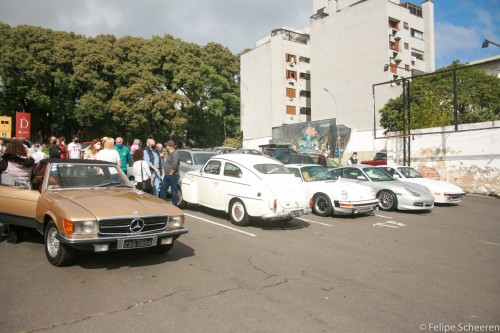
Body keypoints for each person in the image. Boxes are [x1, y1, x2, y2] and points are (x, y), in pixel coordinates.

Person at [0, 139, 35, 243]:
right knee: (20, 214)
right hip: (25, 191)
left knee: (10, 214)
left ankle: (13, 236)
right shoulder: (29, 163)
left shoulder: (6, 162)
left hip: (10, 192)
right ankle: (18, 235)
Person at [160, 140, 180, 205]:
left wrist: (171, 172)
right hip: (167, 175)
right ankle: (163, 203)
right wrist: (163, 157)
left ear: (169, 146)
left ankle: (174, 204)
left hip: (173, 175)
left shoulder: (175, 154)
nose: (165, 146)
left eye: (166, 145)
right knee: (163, 188)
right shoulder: (170, 154)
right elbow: (167, 161)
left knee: (173, 190)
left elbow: (175, 164)